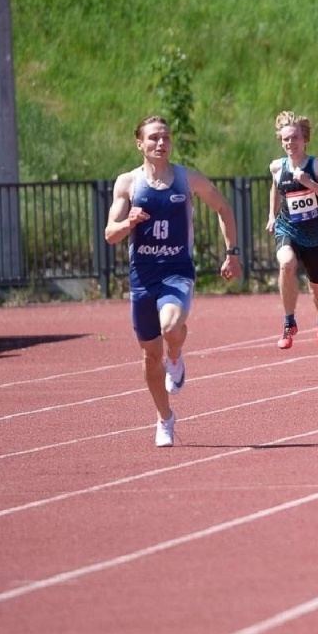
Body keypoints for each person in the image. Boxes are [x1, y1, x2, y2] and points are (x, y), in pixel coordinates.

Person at [104, 115, 240, 447]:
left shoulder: (186, 178)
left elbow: (222, 207)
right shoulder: (128, 183)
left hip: (177, 272)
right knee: (150, 357)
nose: (161, 143)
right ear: (140, 144)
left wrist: (232, 252)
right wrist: (129, 223)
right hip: (142, 278)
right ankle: (165, 418)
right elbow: (110, 234)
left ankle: (176, 356)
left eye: (165, 138)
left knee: (170, 327)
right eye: (153, 138)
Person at [267, 111, 318, 350]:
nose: (291, 143)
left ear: (305, 139)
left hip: (312, 235)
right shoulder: (277, 167)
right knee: (286, 263)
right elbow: (275, 189)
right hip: (287, 227)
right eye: (286, 139)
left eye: (295, 138)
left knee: (317, 287)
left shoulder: (317, 165)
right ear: (281, 141)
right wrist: (272, 215)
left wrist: (311, 184)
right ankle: (289, 322)